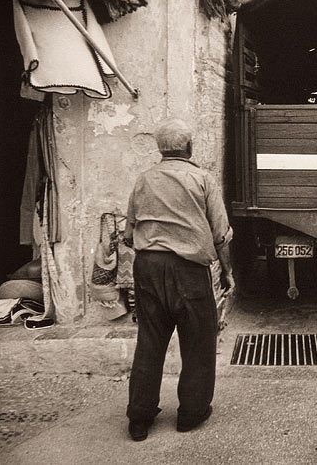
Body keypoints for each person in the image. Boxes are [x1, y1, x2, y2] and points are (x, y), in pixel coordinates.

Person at [123, 118, 235, 441]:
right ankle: (191, 413)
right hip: (189, 271)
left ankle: (139, 419)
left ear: (160, 149)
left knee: (150, 341)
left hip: (148, 268)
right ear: (189, 148)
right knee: (199, 340)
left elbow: (129, 234)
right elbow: (220, 235)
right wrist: (227, 272)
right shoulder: (202, 180)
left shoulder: (143, 180)